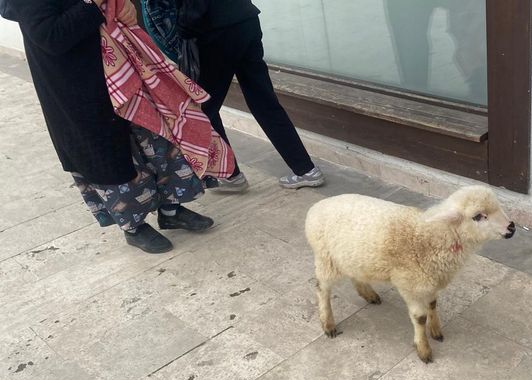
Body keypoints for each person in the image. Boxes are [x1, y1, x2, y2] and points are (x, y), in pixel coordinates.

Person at [15, 0, 216, 254]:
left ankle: (171, 211)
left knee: (156, 141)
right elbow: (50, 37)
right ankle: (134, 228)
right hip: (79, 88)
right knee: (112, 160)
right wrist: (96, 4)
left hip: (124, 74)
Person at [175, 0, 325, 192]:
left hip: (214, 30)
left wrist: (183, 30)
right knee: (264, 101)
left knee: (203, 108)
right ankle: (306, 169)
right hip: (246, 20)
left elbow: (194, 10)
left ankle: (231, 175)